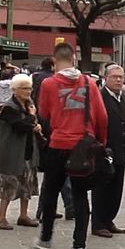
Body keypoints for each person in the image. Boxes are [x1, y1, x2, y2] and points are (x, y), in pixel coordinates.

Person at [35, 42, 108, 249]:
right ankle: (79, 246)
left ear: (54, 61)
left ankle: (46, 239)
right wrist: (100, 142)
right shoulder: (90, 83)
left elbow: (43, 113)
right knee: (79, 195)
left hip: (58, 144)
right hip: (83, 147)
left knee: (50, 192)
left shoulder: (48, 84)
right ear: (74, 58)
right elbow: (102, 116)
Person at [0, 74, 41, 230]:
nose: (28, 91)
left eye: (29, 88)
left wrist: (36, 125)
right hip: (12, 152)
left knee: (27, 183)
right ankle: (0, 217)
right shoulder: (9, 107)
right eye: (24, 88)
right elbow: (19, 127)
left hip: (27, 150)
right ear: (15, 90)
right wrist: (32, 118)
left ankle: (23, 215)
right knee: (9, 184)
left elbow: (31, 124)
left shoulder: (29, 104)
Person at [91, 64, 125, 238]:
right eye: (114, 77)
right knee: (102, 188)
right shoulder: (99, 98)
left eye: (121, 77)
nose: (118, 80)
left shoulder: (122, 97)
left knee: (116, 188)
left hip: (120, 150)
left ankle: (109, 220)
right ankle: (98, 223)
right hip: (104, 151)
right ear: (105, 78)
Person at [33, 57, 74, 221]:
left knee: (54, 175)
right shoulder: (51, 82)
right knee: (59, 174)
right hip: (56, 133)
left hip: (50, 131)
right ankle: (66, 207)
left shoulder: (38, 79)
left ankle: (46, 209)